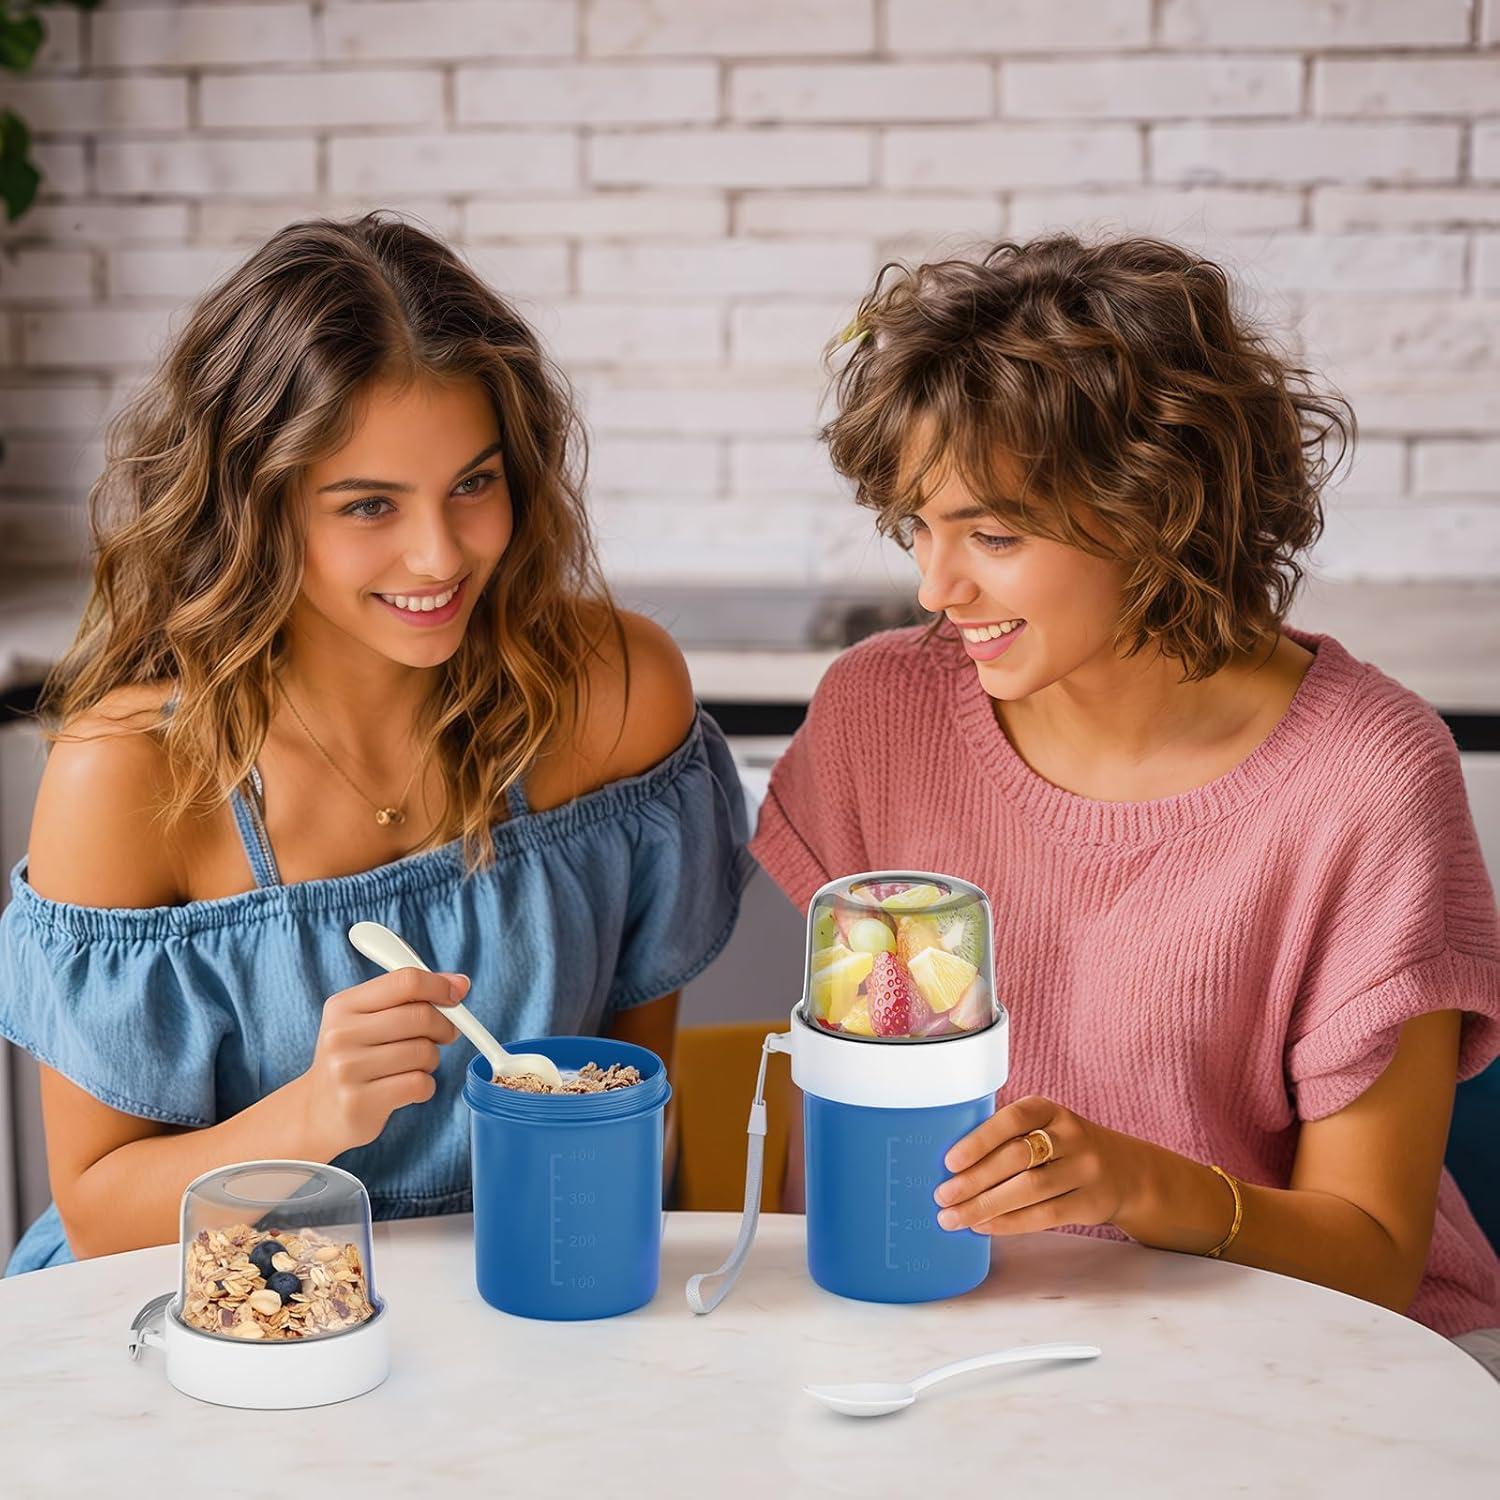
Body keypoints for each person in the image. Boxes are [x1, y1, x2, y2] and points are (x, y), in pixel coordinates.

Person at [752, 235, 1500, 1374]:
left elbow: (1378, 1259)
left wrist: (1141, 1184)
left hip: (1318, 1363)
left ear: (1159, 512)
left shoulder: (1368, 775)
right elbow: (846, 1122)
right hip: (960, 1353)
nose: (935, 587)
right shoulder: (879, 715)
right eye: (919, 523)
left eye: (994, 535)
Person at [0, 212, 751, 1272]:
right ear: (254, 506)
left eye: (473, 485)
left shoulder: (614, 697)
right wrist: (309, 1120)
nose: (440, 554)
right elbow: (98, 1218)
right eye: (368, 506)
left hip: (531, 1295)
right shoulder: (131, 775)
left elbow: (627, 1121)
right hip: (212, 1333)